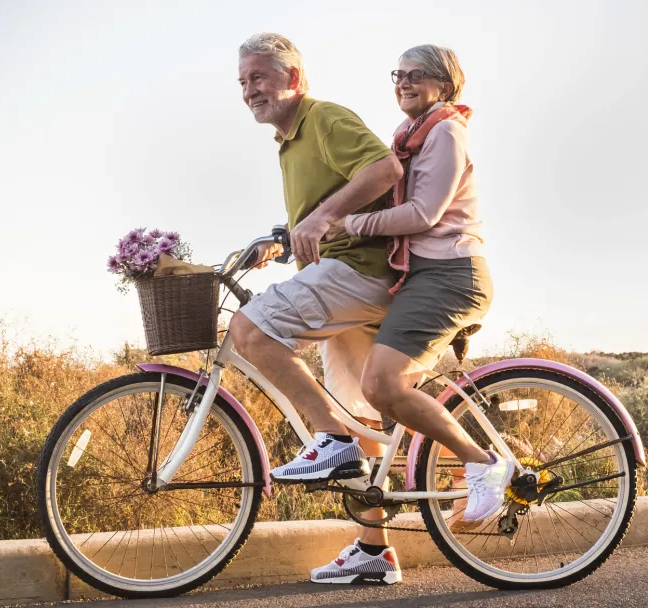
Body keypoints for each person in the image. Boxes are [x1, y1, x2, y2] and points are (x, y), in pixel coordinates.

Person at [308, 44, 506, 586]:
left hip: (450, 276)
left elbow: (423, 213)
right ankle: (373, 548)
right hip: (419, 278)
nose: (404, 82)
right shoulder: (408, 137)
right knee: (366, 404)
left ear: (446, 84)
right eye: (398, 74)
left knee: (383, 385)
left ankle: (482, 460)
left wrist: (347, 224)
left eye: (417, 74)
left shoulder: (445, 131)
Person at [227, 33, 404, 582]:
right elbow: (317, 210)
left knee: (248, 329)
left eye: (258, 77)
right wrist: (283, 237)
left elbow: (384, 170)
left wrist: (323, 218)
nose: (249, 90)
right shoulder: (287, 141)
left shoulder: (323, 117)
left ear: (293, 78)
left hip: (359, 272)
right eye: (242, 82)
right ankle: (375, 551)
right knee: (364, 424)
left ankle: (329, 436)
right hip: (338, 278)